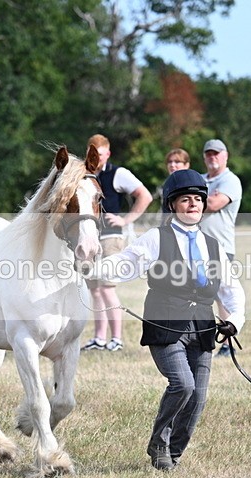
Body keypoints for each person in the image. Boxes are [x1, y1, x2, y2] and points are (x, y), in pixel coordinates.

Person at [86, 169, 245, 471]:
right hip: (165, 325)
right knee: (182, 384)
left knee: (197, 398)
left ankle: (174, 452)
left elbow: (231, 288)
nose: (193, 204)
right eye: (185, 200)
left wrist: (234, 320)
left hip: (202, 328)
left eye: (198, 199)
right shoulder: (156, 238)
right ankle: (159, 442)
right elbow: (124, 265)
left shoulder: (214, 246)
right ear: (173, 205)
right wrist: (91, 268)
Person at [82, 134, 153, 352]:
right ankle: (99, 338)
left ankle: (117, 339)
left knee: (107, 287)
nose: (97, 158)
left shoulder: (118, 173)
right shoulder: (85, 173)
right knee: (94, 290)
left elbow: (145, 196)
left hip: (111, 237)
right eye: (93, 154)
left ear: (108, 153)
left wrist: (125, 219)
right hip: (89, 237)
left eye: (101, 154)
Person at [198, 139, 242, 358]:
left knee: (221, 294)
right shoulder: (201, 179)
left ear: (226, 156)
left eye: (216, 153)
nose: (212, 157)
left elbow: (213, 205)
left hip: (220, 246)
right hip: (196, 245)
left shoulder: (230, 180)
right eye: (208, 154)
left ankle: (227, 341)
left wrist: (190, 202)